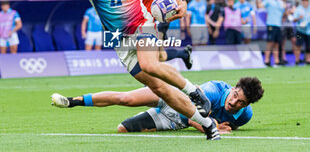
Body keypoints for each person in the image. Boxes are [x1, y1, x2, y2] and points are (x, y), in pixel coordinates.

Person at [34, 0, 219, 140]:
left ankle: (194, 91)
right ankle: (208, 125)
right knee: (160, 89)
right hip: (119, 42)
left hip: (143, 27)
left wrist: (180, 2)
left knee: (149, 64)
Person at [51, 77, 264, 134]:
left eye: (240, 102)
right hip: (172, 98)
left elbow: (224, 124)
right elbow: (193, 117)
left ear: (248, 105)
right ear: (234, 87)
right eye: (235, 95)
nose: (233, 102)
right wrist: (214, 126)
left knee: (122, 129)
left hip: (173, 122)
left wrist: (217, 124)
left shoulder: (245, 116)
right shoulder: (215, 90)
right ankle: (72, 101)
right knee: (125, 99)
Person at [257, 0, 285, 66]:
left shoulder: (280, 2)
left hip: (278, 25)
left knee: (276, 43)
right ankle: (266, 60)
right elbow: (259, 6)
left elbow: (283, 12)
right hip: (271, 24)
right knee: (270, 43)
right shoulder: (268, 0)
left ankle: (276, 61)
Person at [291, 0, 310, 65]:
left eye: (305, 0)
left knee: (308, 46)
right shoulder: (298, 9)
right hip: (300, 30)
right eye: (303, 0)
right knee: (298, 45)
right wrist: (299, 18)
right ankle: (297, 60)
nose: (304, 2)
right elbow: (293, 19)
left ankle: (308, 60)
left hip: (308, 30)